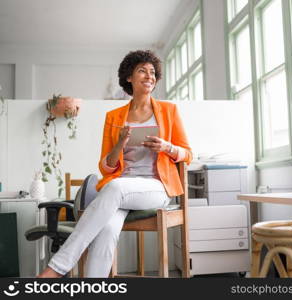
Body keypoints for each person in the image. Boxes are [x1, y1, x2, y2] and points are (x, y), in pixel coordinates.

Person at [37, 50, 192, 278]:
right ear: (129, 77)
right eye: (142, 71)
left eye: (152, 72)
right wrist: (120, 143)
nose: (149, 76)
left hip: (156, 187)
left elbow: (187, 154)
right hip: (121, 189)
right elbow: (106, 167)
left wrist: (166, 147)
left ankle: (56, 268)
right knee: (107, 229)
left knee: (115, 188)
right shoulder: (114, 117)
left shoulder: (169, 111)